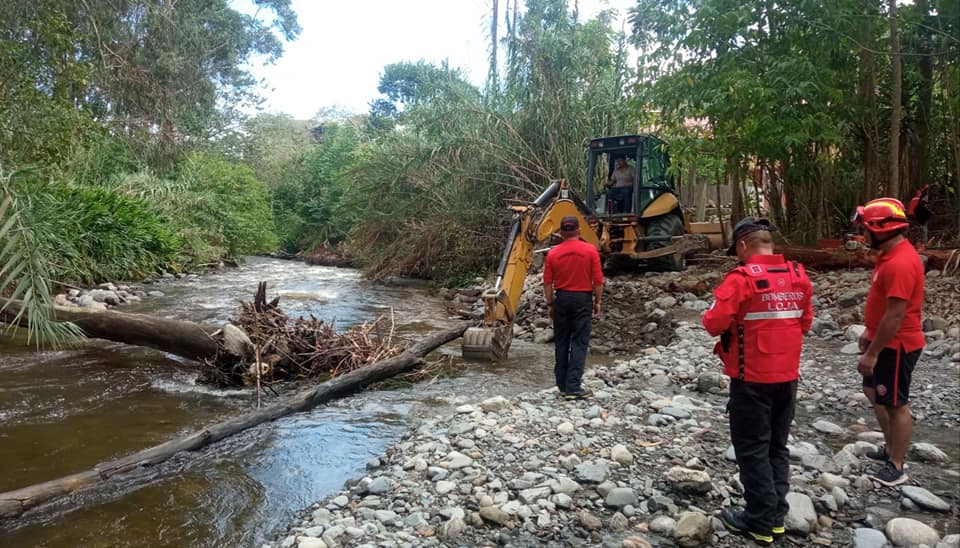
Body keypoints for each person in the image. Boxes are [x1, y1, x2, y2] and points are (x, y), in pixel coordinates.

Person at [703, 217, 813, 546]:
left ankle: (759, 520)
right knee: (777, 447)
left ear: (742, 246)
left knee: (751, 449)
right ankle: (776, 515)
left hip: (751, 378)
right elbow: (804, 322)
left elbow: (713, 322)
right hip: (787, 377)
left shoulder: (741, 279)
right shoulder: (797, 275)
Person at [853, 197, 925, 487]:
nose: (863, 234)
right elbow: (883, 308)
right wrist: (870, 331)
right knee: (872, 391)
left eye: (866, 228)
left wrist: (872, 353)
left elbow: (895, 316)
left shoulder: (900, 263)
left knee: (896, 404)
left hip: (898, 345)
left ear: (881, 230)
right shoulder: (888, 256)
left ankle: (897, 465)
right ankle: (890, 446)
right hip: (885, 340)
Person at [543, 216, 603, 400]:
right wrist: (597, 301)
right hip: (582, 299)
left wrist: (551, 303)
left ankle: (562, 385)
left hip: (562, 298)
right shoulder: (590, 251)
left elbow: (547, 283)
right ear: (579, 231)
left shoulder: (553, 254)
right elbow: (598, 281)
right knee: (579, 342)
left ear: (561, 233)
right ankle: (573, 387)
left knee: (562, 342)